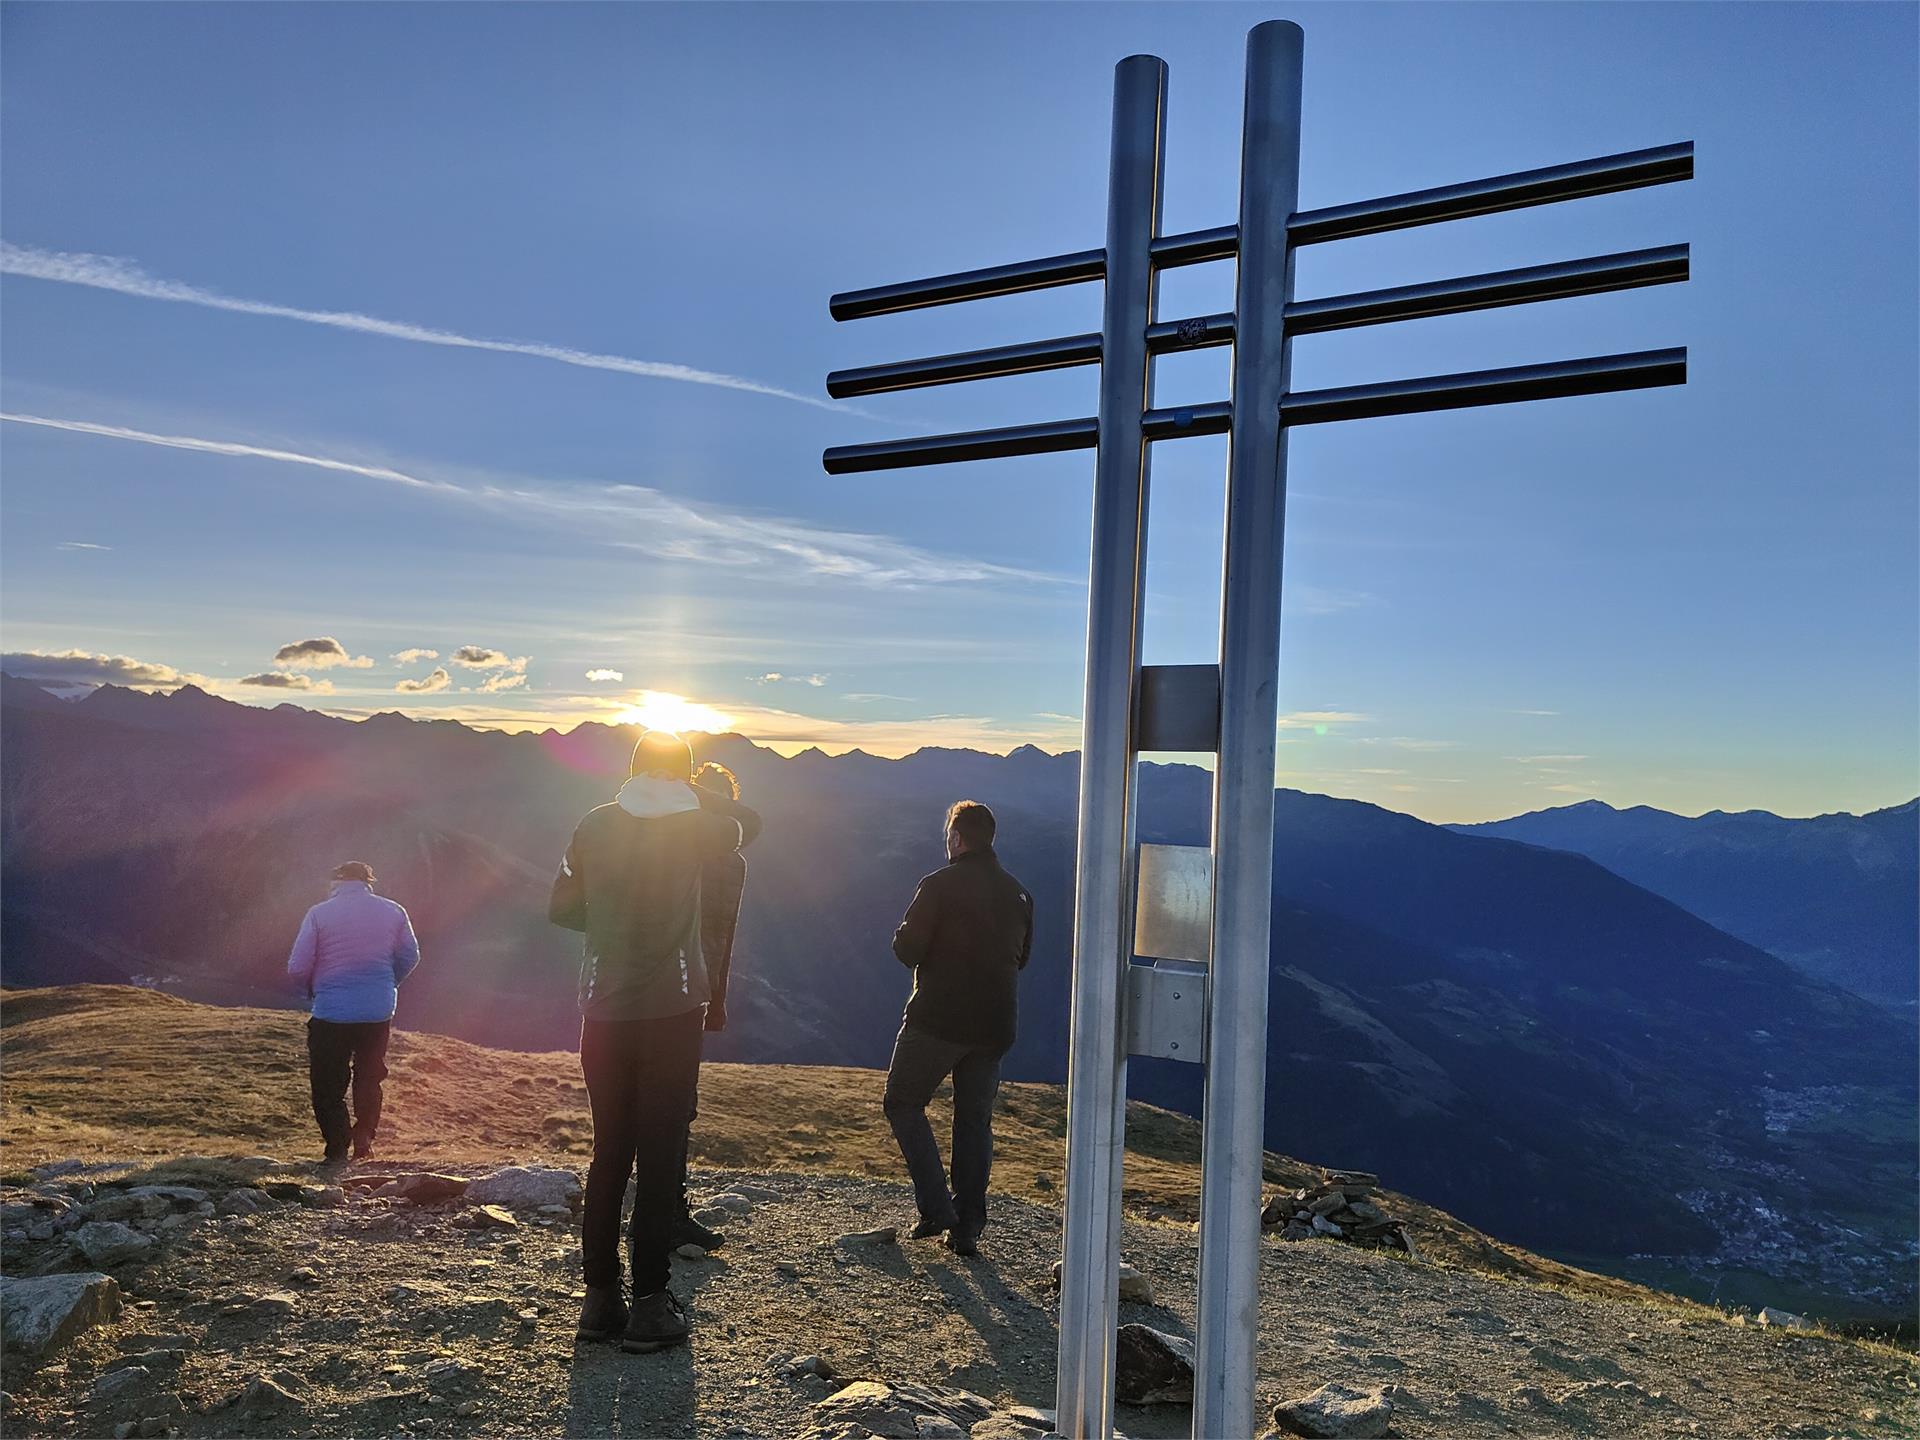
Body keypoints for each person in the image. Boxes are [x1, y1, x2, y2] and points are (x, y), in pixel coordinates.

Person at [549, 730, 760, 1352]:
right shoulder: (699, 828)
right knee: (662, 1154)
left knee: (609, 1150)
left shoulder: (594, 822)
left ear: (633, 769)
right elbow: (748, 821)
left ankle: (598, 1301)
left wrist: (612, 918)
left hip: (603, 1006)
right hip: (673, 1006)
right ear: (685, 777)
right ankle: (650, 1306)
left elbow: (562, 908)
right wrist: (690, 793)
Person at [883, 800, 1033, 1256]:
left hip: (937, 1019)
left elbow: (908, 949)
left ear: (956, 837)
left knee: (903, 1102)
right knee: (974, 1122)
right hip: (995, 1024)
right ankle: (967, 1226)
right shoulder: (1019, 893)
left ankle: (936, 1207)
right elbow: (1021, 959)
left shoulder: (937, 885)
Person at [285, 861, 420, 1165]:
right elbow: (410, 955)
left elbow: (297, 966)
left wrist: (311, 990)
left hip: (331, 1012)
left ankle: (336, 1148)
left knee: (328, 1083)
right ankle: (364, 1138)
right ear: (368, 882)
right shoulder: (393, 911)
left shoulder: (319, 913)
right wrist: (387, 981)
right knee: (369, 1077)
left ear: (335, 882)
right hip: (377, 1011)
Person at [669, 760, 750, 1251]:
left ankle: (646, 1206)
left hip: (650, 982)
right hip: (693, 992)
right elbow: (724, 938)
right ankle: (668, 1210)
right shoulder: (733, 861)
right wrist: (716, 1001)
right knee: (679, 1101)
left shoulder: (668, 850)